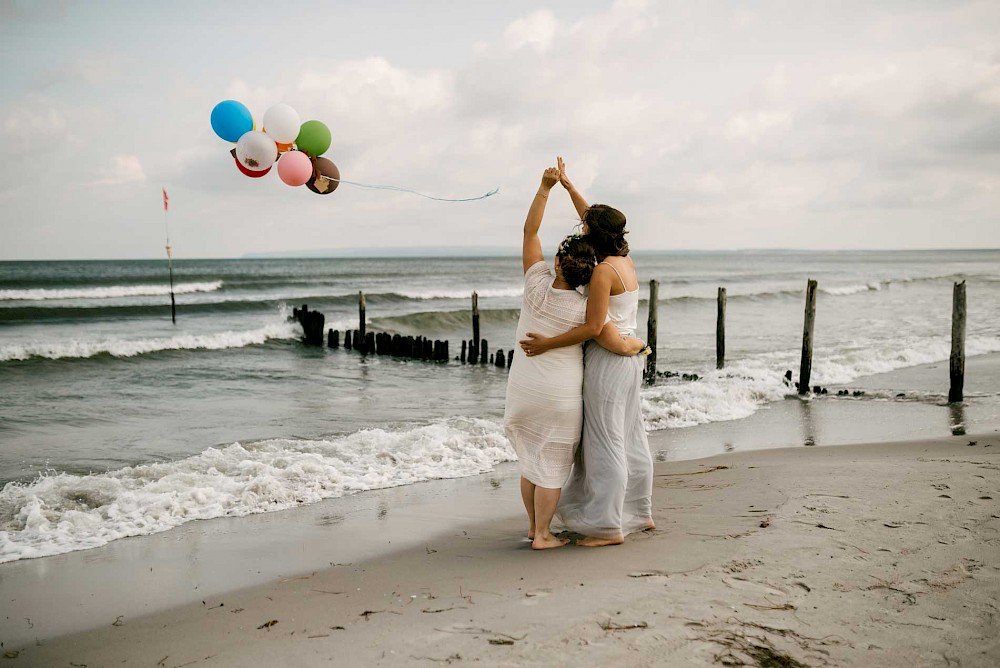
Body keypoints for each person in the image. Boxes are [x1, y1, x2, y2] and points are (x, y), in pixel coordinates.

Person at [504, 166, 644, 550]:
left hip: (522, 389)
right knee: (552, 465)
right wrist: (635, 346)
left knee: (532, 460)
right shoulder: (585, 305)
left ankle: (534, 527)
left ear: (559, 262)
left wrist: (546, 188)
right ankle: (545, 536)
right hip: (559, 395)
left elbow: (530, 232)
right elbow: (603, 332)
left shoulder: (534, 282)